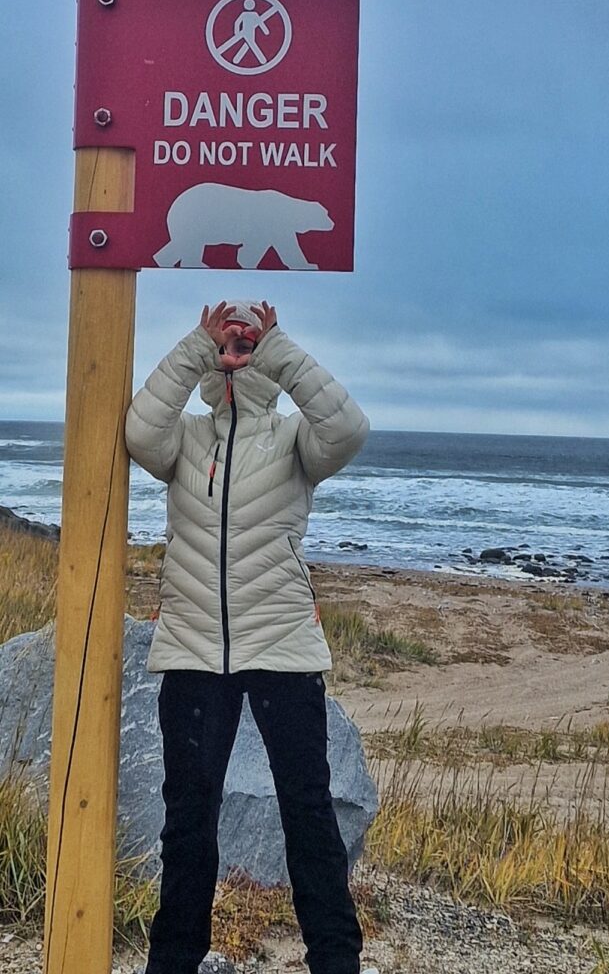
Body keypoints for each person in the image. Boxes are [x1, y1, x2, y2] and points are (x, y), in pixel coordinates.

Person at [125, 300, 378, 974]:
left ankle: (335, 961)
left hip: (283, 649)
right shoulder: (186, 438)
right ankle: (172, 963)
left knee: (309, 815)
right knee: (187, 824)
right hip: (192, 650)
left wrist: (278, 348)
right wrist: (196, 347)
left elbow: (349, 427)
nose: (237, 347)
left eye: (246, 340)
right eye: (230, 340)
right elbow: (139, 434)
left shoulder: (297, 441)